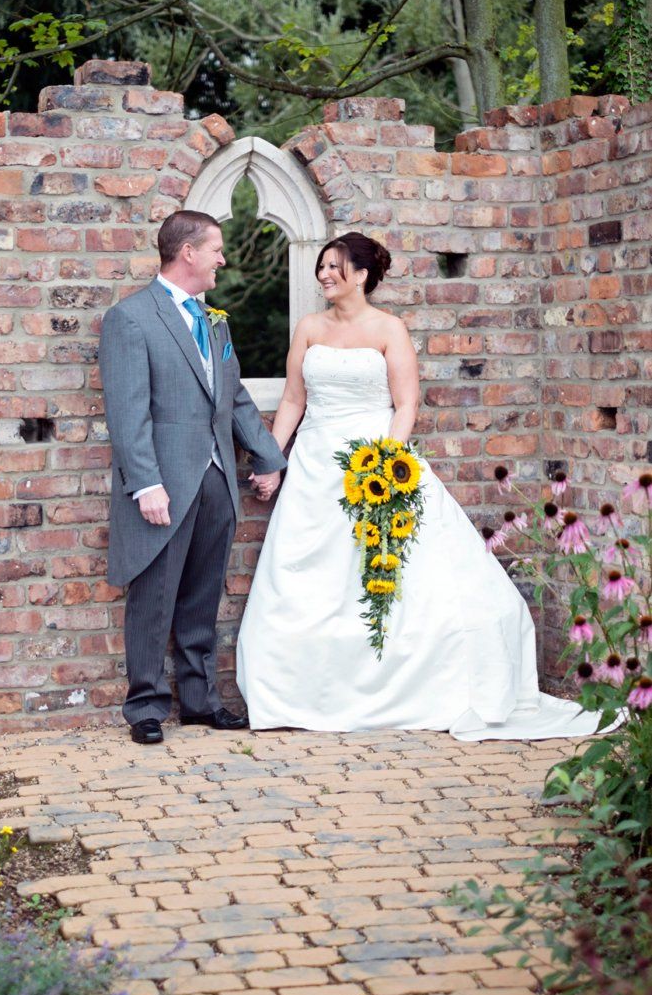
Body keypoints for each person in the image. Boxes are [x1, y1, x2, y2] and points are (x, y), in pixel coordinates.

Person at [237, 231, 601, 740]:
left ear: (361, 275)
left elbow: (406, 404)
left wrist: (385, 463)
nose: (324, 275)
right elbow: (294, 401)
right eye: (321, 266)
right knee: (308, 579)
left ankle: (410, 684)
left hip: (376, 463)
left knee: (395, 573)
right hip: (316, 466)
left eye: (334, 267)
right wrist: (272, 461)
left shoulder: (389, 329)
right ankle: (303, 693)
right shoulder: (309, 328)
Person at [99, 210, 287, 744]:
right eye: (216, 250)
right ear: (188, 253)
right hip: (163, 483)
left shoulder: (215, 320)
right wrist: (145, 483)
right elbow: (127, 413)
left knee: (203, 597)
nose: (222, 260)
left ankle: (201, 702)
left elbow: (236, 397)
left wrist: (268, 456)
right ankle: (146, 707)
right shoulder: (131, 318)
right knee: (154, 596)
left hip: (216, 477)